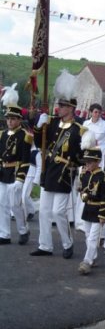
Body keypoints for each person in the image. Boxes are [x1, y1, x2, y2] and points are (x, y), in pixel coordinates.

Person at [30, 97, 93, 258]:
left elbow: (84, 155)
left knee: (58, 212)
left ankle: (67, 243)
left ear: (71, 108)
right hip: (49, 169)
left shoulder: (79, 130)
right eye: (59, 105)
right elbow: (40, 143)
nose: (59, 108)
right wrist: (38, 127)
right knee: (44, 211)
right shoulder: (51, 123)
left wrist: (75, 163)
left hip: (64, 173)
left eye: (63, 106)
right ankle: (45, 245)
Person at [0, 84, 32, 245]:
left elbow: (26, 159)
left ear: (19, 119)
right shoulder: (2, 134)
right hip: (3, 172)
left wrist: (20, 179)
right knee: (2, 204)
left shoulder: (24, 136)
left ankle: (23, 230)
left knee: (15, 205)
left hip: (15, 173)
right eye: (8, 118)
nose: (10, 121)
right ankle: (4, 234)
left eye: (13, 118)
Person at [78, 147, 105, 275]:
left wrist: (103, 214)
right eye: (86, 162)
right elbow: (83, 190)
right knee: (87, 236)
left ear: (97, 162)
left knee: (93, 238)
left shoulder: (104, 177)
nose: (87, 164)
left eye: (90, 162)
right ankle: (93, 257)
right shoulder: (85, 175)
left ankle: (86, 262)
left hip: (98, 210)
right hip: (88, 209)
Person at [83, 103, 105, 169]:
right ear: (91, 112)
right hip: (88, 151)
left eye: (99, 112)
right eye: (95, 112)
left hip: (101, 153)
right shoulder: (86, 124)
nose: (97, 114)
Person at [22, 143, 42, 221]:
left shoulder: (36, 153)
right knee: (24, 195)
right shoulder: (24, 150)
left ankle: (26, 214)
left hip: (31, 175)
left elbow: (39, 166)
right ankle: (31, 210)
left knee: (24, 196)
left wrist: (36, 179)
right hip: (22, 175)